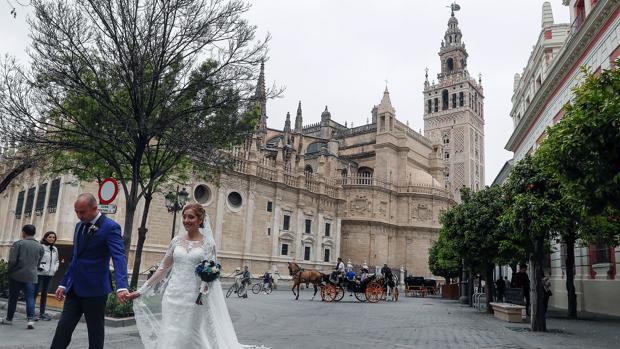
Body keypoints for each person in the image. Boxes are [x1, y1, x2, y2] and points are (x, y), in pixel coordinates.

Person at [127, 203, 267, 349]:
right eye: (184, 217)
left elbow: (212, 270)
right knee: (171, 331)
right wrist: (141, 290)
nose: (186, 220)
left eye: (191, 217)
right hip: (172, 295)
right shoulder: (176, 241)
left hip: (194, 297)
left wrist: (205, 286)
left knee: (191, 332)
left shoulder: (208, 243)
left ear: (200, 220)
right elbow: (162, 269)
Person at [50, 193, 129, 349]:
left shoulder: (110, 227)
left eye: (82, 212)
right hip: (74, 289)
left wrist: (122, 285)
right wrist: (64, 284)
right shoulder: (79, 226)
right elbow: (75, 258)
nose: (79, 216)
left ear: (94, 208)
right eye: (76, 211)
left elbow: (118, 257)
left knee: (95, 333)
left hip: (95, 290)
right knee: (63, 329)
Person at [1, 224, 44, 329]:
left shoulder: (18, 244)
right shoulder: (40, 246)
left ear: (23, 232)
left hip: (17, 275)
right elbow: (38, 262)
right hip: (31, 275)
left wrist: (10, 271)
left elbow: (12, 261)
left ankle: (9, 319)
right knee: (30, 297)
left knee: (13, 298)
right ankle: (30, 319)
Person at [35, 231, 60, 321]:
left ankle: (42, 313)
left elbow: (57, 260)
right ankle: (31, 312)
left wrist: (55, 268)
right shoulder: (41, 247)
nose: (52, 239)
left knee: (44, 294)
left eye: (53, 237)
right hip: (40, 274)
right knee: (35, 292)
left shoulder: (55, 249)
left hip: (49, 274)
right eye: (50, 237)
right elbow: (36, 259)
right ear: (45, 238)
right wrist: (41, 267)